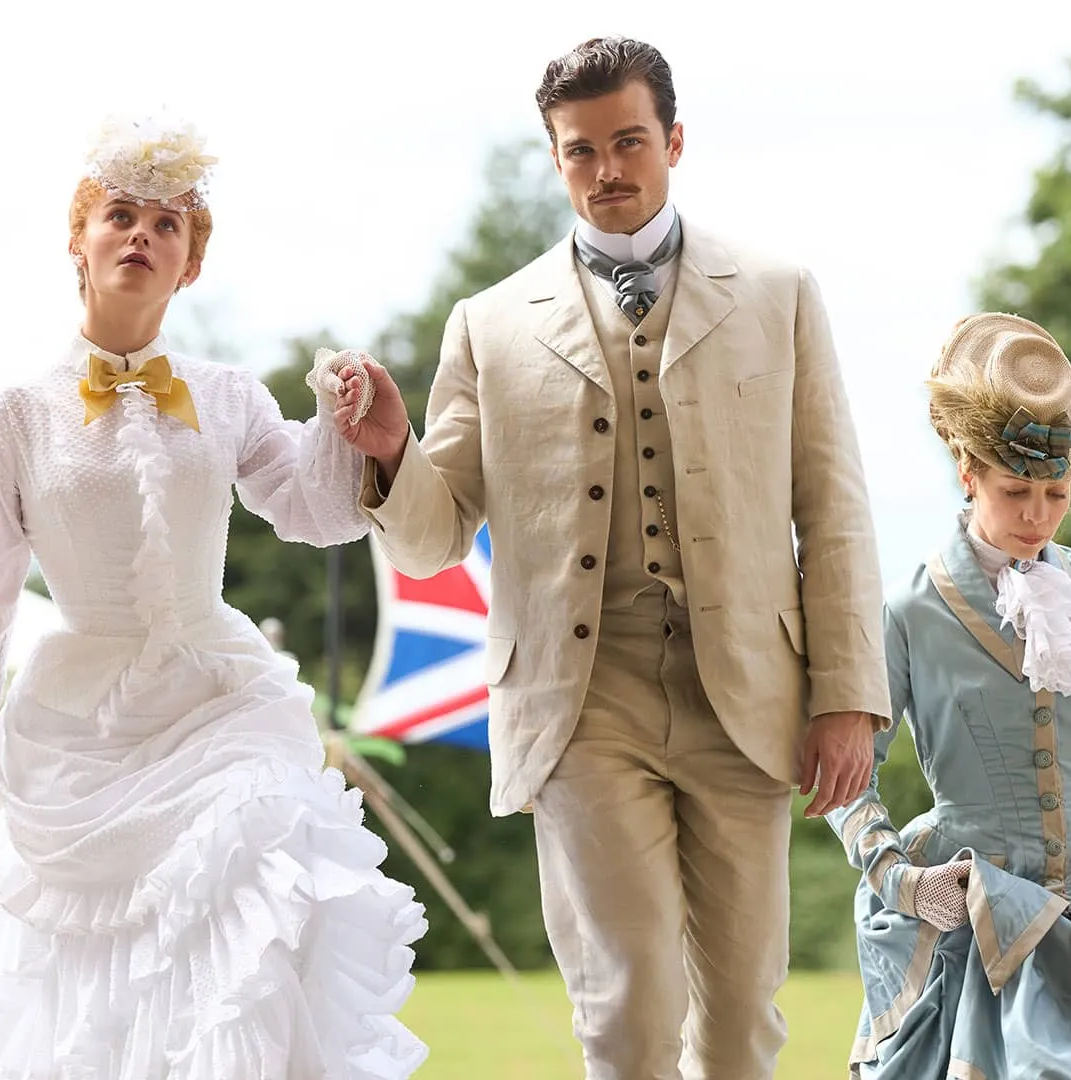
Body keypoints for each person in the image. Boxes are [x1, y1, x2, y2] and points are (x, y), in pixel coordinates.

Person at [342, 36, 890, 1080]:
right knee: (630, 1012)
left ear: (674, 141)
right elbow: (432, 534)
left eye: (628, 141)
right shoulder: (490, 326)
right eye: (581, 150)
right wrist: (390, 452)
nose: (607, 169)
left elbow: (835, 506)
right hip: (582, 701)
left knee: (739, 1025)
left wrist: (847, 693)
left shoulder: (778, 294)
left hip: (749, 692)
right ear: (557, 159)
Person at [0, 116, 427, 1079]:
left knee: (259, 878)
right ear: (78, 239)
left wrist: (353, 431)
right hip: (81, 730)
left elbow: (312, 511)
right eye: (120, 215)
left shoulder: (228, 395)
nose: (142, 235)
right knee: (95, 978)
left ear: (191, 266)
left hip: (222, 702)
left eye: (167, 225)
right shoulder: (11, 417)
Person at [826, 313, 1071, 1078]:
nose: (1038, 515)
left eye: (1057, 494)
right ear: (968, 475)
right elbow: (846, 773)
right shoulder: (910, 608)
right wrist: (899, 878)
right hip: (970, 908)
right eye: (1015, 490)